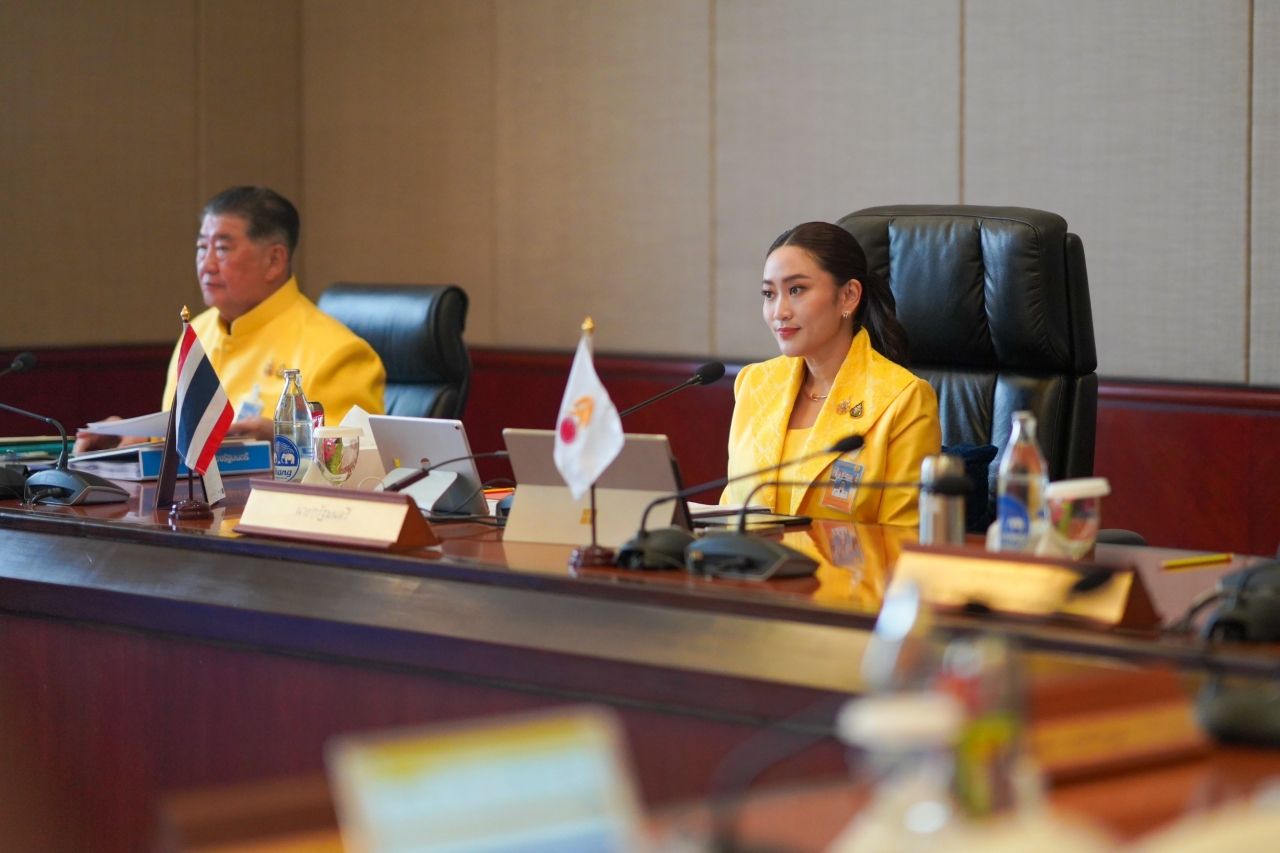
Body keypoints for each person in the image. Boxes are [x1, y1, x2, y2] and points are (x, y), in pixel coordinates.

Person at [76, 186, 385, 451]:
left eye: (222, 249)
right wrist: (133, 440)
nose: (207, 265)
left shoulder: (336, 352)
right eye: (202, 247)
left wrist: (283, 440)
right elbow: (184, 444)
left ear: (274, 260)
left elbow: (362, 463)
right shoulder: (198, 331)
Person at [721, 221, 940, 526]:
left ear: (848, 295)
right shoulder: (754, 384)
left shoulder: (903, 399)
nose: (779, 311)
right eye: (769, 294)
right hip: (748, 558)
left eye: (796, 290)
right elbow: (730, 511)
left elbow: (901, 536)